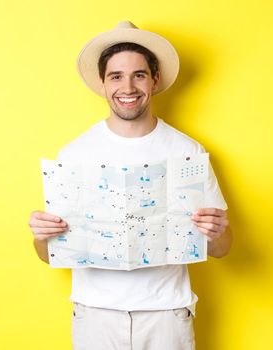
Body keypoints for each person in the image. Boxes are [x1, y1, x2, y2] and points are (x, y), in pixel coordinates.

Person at [28, 21, 232, 350]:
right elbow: (48, 255)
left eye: (138, 74)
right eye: (116, 76)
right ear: (103, 84)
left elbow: (222, 249)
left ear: (155, 79)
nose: (128, 87)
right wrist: (42, 237)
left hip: (166, 313)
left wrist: (217, 230)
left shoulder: (186, 151)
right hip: (95, 315)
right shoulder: (75, 154)